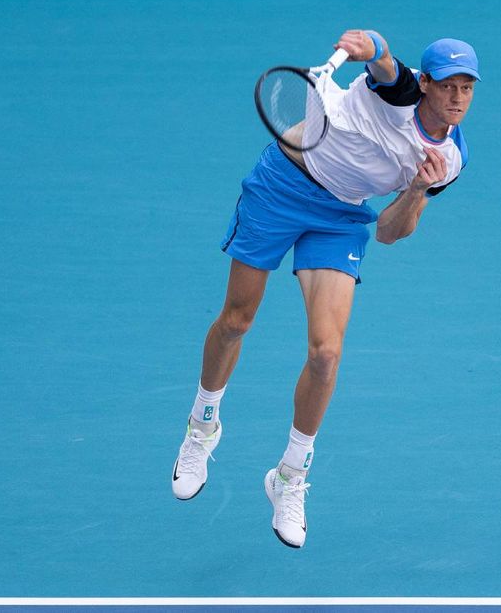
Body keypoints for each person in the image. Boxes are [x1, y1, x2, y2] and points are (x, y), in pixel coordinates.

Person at [171, 29, 479, 549]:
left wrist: (417, 188)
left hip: (340, 218)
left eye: (467, 87)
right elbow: (383, 59)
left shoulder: (450, 159)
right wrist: (367, 44)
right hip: (281, 187)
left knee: (326, 354)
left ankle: (289, 476)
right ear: (425, 83)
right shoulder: (399, 90)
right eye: (448, 85)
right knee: (237, 319)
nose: (457, 97)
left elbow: (388, 231)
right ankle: (202, 425)